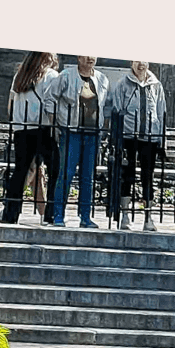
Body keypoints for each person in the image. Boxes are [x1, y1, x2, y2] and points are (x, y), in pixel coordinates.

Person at [0, 52, 60, 225]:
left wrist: (17, 121)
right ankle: (50, 213)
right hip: (42, 127)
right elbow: (51, 104)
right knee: (55, 170)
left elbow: (11, 103)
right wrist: (56, 127)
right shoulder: (51, 75)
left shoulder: (20, 75)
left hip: (21, 128)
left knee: (21, 170)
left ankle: (11, 212)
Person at [49, 55, 110, 228]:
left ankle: (85, 217)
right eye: (86, 53)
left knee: (88, 177)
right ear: (78, 56)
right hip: (71, 132)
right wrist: (55, 125)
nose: (90, 57)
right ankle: (58, 215)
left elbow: (107, 106)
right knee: (66, 174)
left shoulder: (102, 79)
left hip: (92, 134)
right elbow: (50, 99)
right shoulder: (66, 76)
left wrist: (103, 129)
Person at [108, 60, 166, 231]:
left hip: (150, 138)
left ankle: (149, 217)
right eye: (137, 60)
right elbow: (117, 110)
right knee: (128, 176)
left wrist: (162, 140)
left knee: (148, 178)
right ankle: (125, 215)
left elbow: (161, 112)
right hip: (128, 137)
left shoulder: (156, 85)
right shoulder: (122, 84)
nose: (141, 64)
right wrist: (116, 139)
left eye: (144, 60)